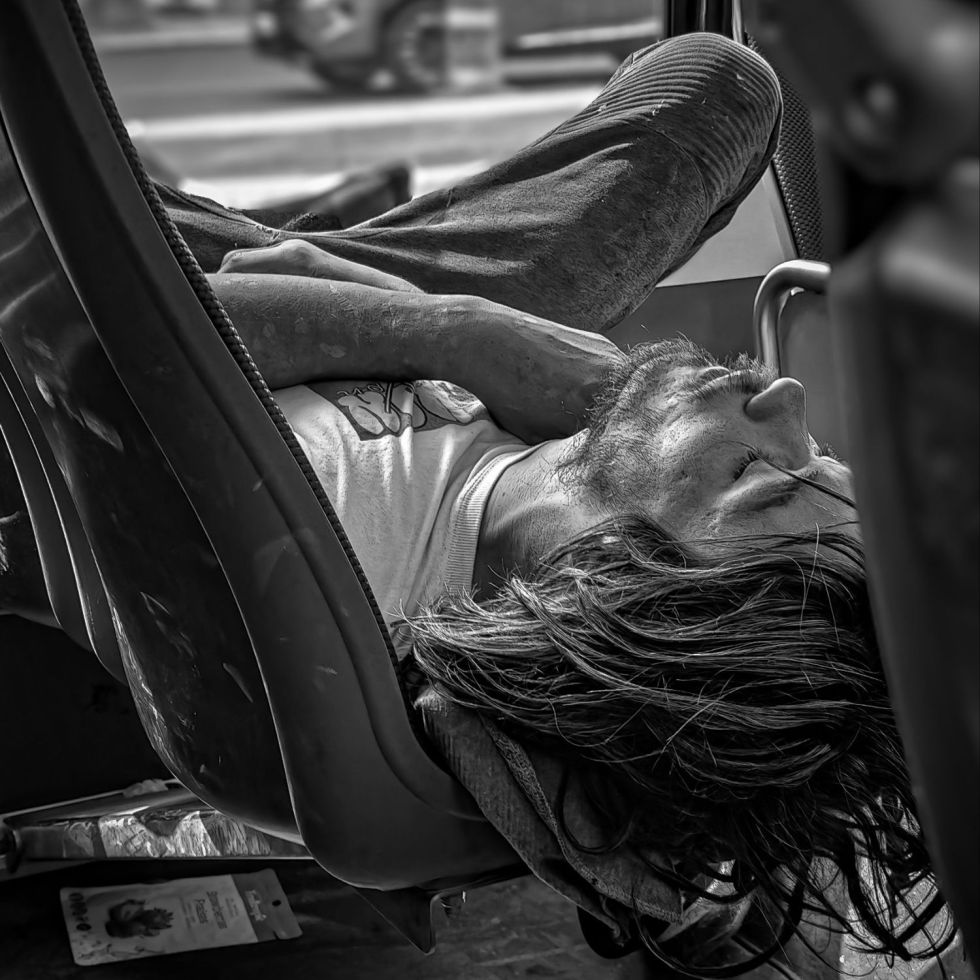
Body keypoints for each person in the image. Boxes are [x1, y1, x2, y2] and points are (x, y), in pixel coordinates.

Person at [1, 30, 954, 975]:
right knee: (729, 91)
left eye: (757, 477)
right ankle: (322, 238)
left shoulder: (329, 546)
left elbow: (85, 349)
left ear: (615, 575)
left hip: (163, 310)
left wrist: (463, 333)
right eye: (825, 459)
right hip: (473, 371)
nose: (788, 402)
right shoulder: (579, 426)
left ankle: (306, 238)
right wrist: (505, 354)